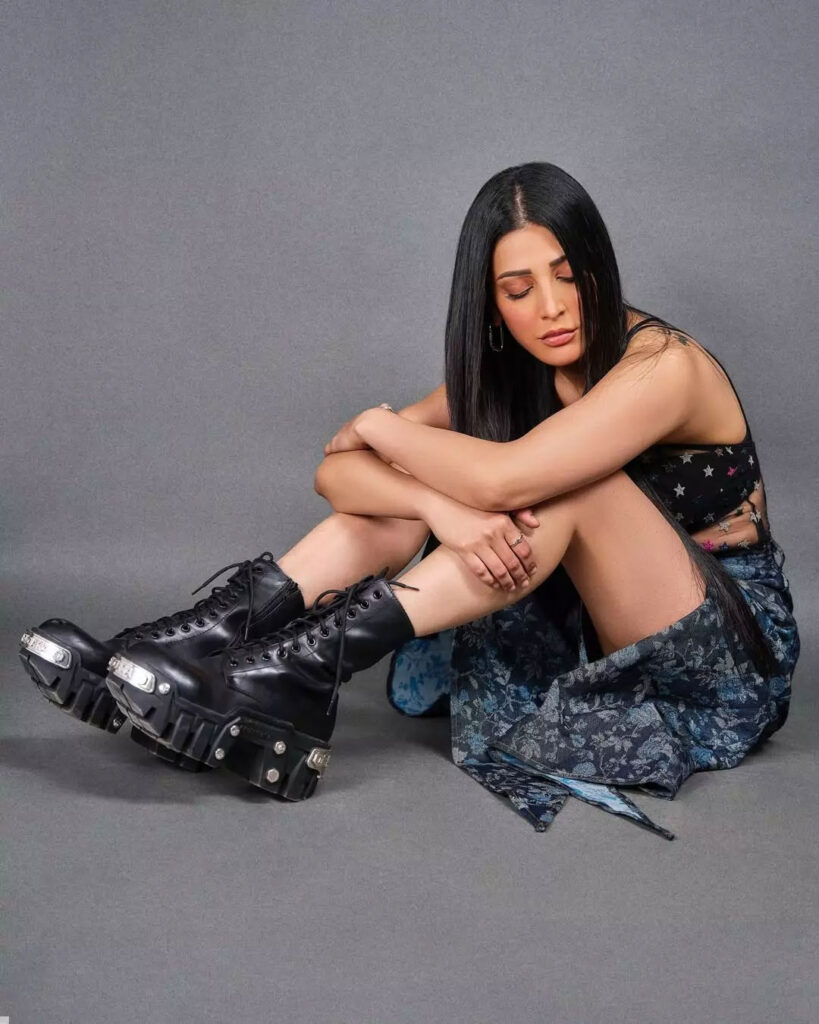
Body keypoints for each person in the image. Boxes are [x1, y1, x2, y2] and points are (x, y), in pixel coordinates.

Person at [19, 161, 800, 836]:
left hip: (717, 655)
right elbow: (339, 478)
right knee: (410, 498)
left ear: (599, 265)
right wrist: (433, 507)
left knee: (564, 486)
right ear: (490, 303)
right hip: (585, 628)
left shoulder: (662, 366)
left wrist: (376, 425)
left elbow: (504, 479)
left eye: (568, 275)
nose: (552, 307)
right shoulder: (514, 369)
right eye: (518, 289)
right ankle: (200, 652)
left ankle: (284, 676)